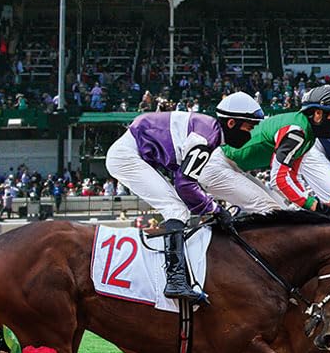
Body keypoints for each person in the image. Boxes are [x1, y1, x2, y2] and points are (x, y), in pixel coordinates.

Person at [103, 91, 271, 303]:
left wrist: (212, 208)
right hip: (127, 156)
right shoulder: (206, 137)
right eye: (249, 126)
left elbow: (186, 181)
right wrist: (215, 210)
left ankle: (181, 275)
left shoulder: (209, 130)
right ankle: (175, 280)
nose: (251, 132)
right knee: (176, 210)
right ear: (231, 123)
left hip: (134, 152)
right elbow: (184, 184)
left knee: (179, 208)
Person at [267, 86, 330, 209]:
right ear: (318, 113)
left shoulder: (308, 136)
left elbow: (294, 176)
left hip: (239, 168)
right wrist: (315, 206)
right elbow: (278, 179)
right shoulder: (297, 131)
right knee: (269, 208)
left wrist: (313, 204)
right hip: (233, 166)